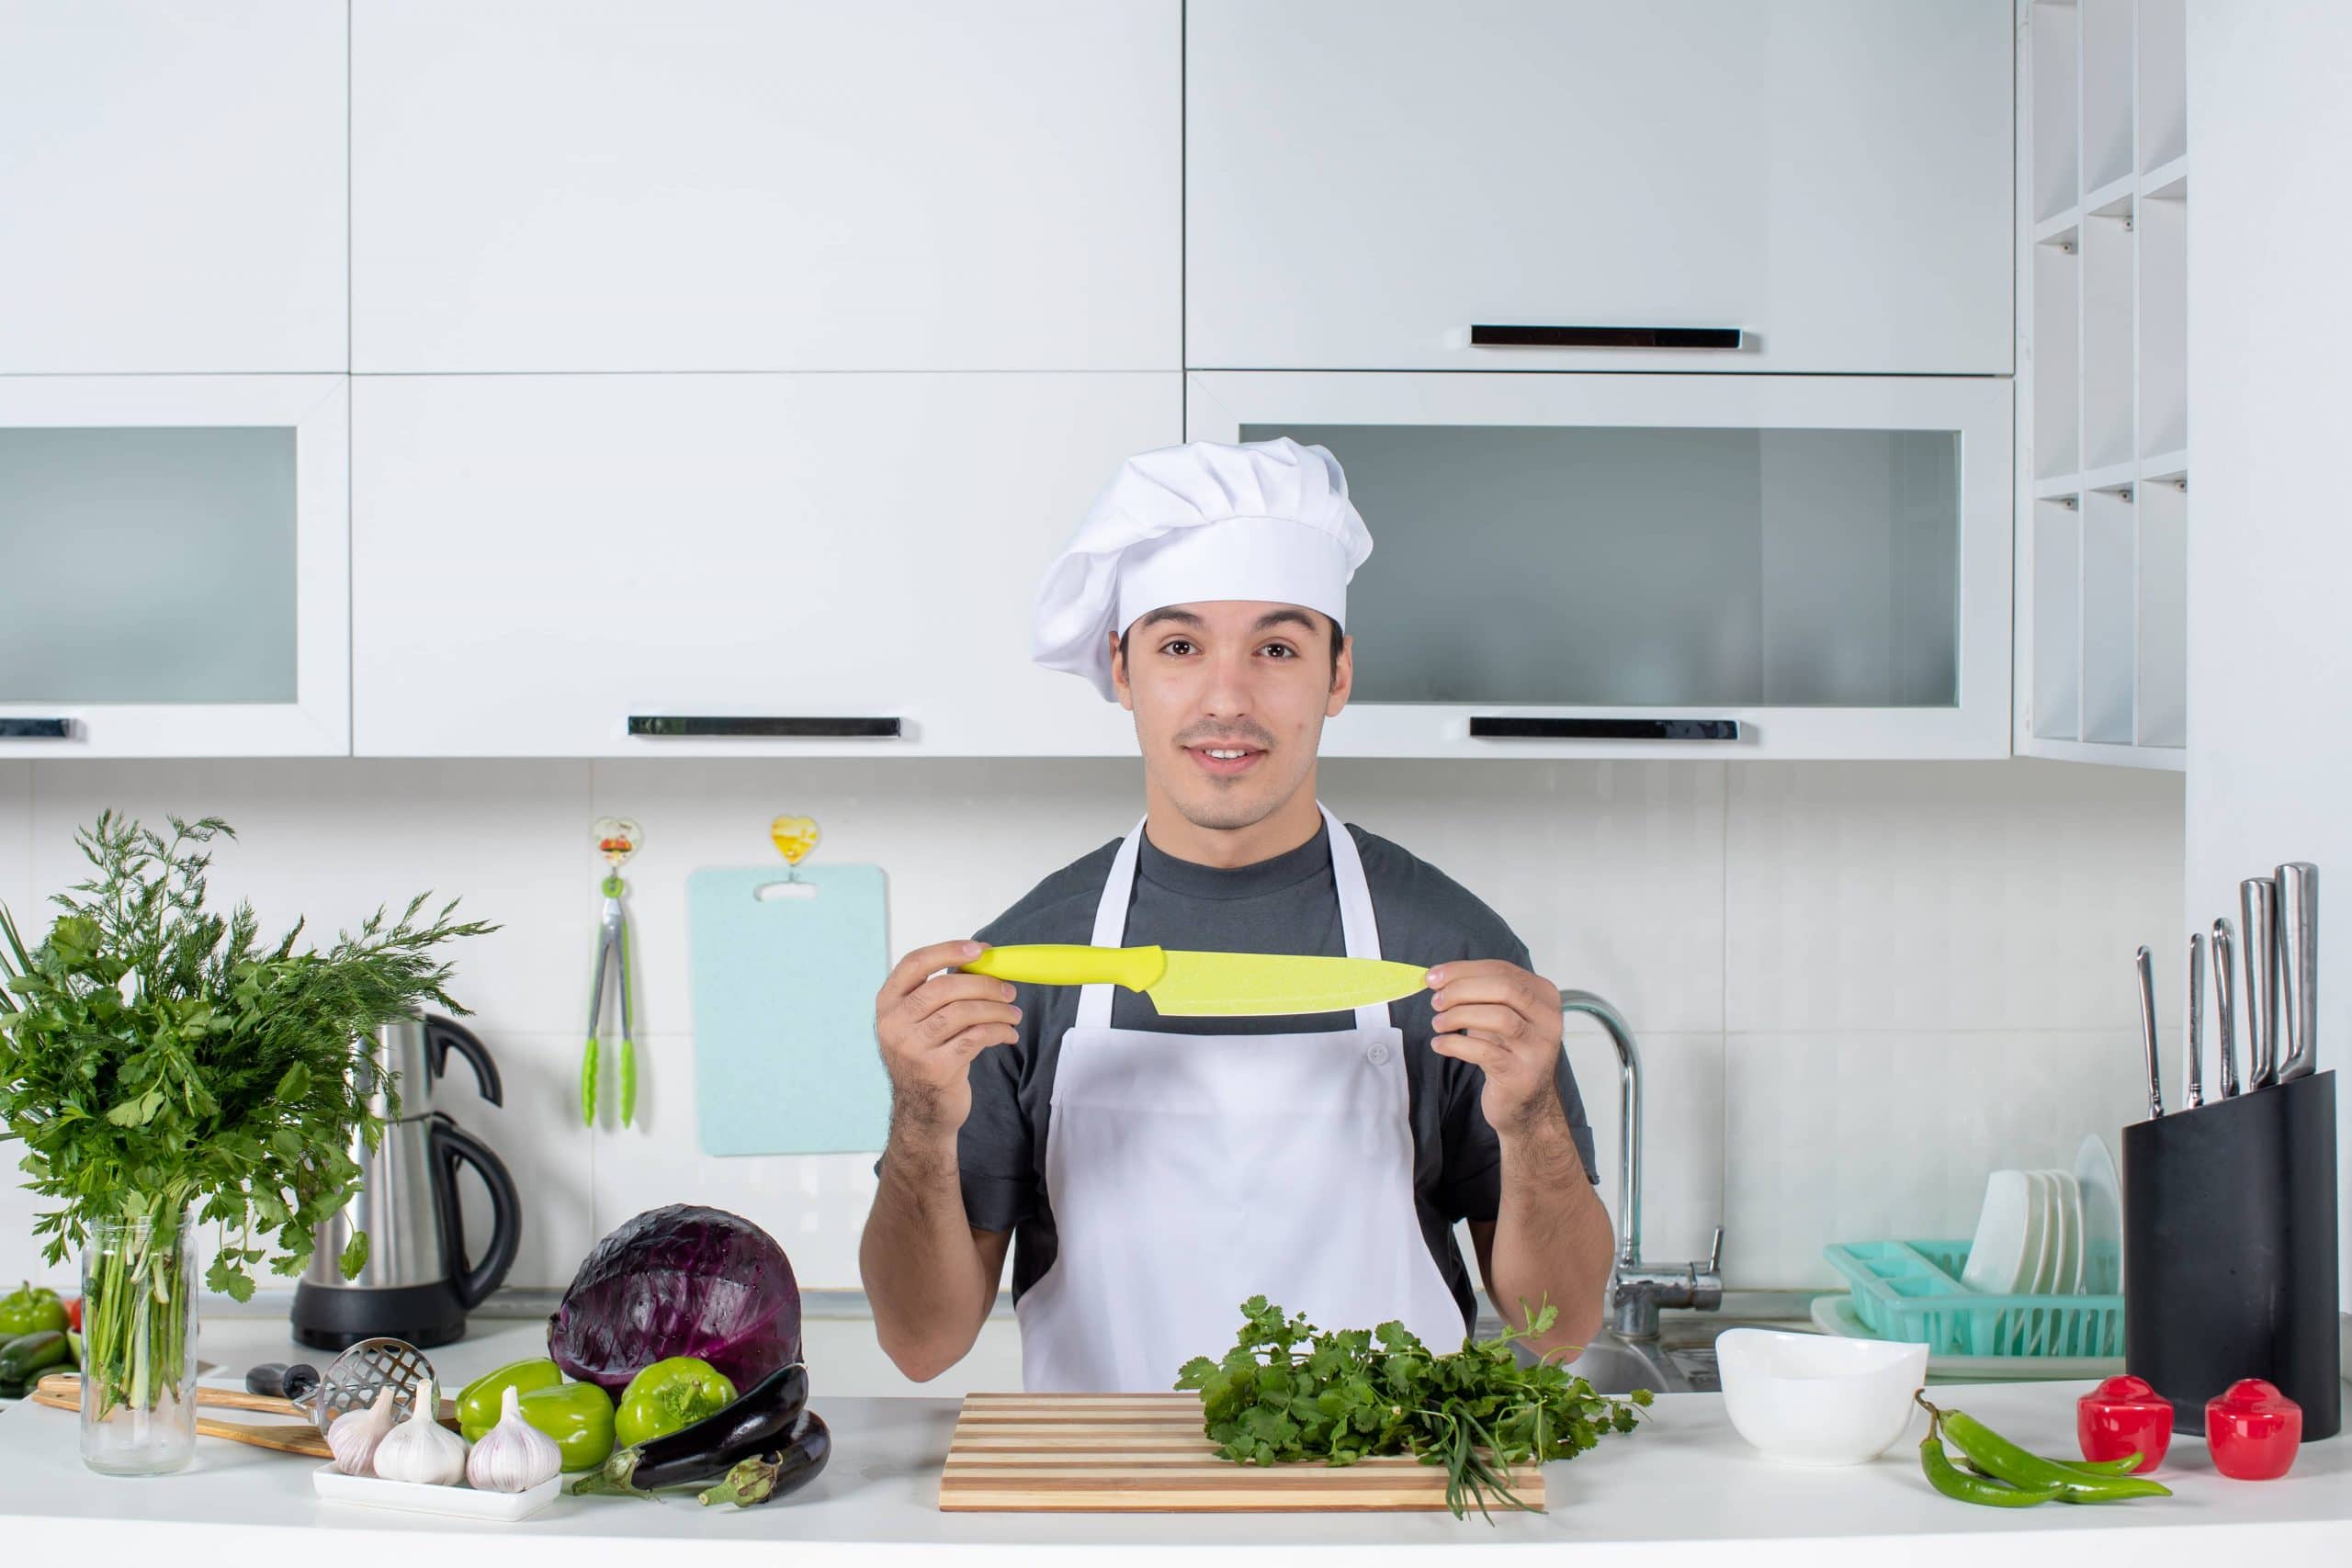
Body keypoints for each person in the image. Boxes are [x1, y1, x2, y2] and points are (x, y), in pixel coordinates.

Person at [860, 436, 1611, 1392]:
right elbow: (921, 1343)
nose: (1227, 699)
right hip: (1110, 1512)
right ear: (1122, 670)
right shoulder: (1024, 968)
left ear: (1336, 675)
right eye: (1179, 647)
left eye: (1275, 649)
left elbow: (1563, 1328)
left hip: (1385, 1511)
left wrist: (1530, 1121)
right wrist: (923, 1118)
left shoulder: (1449, 952)